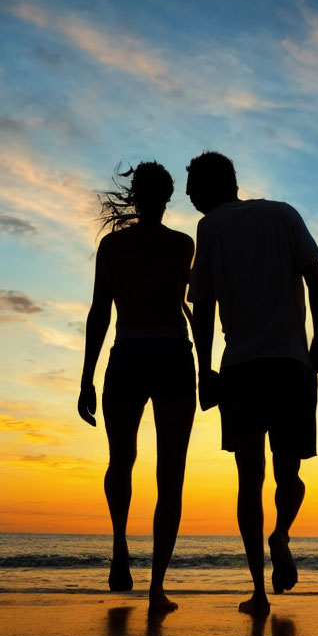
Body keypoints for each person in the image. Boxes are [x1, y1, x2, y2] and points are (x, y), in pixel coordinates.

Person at [186, 151, 318, 617]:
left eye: (193, 185)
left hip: (244, 370)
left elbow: (203, 304)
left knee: (250, 481)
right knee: (288, 475)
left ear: (216, 184)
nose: (188, 195)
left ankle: (259, 591)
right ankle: (281, 535)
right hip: (291, 365)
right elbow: (317, 282)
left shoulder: (210, 229)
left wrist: (203, 369)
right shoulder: (283, 213)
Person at [78, 161, 196, 612]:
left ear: (136, 195)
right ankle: (155, 585)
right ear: (166, 198)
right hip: (168, 356)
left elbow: (99, 314)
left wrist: (86, 378)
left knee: (123, 461)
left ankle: (120, 546)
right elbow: (199, 309)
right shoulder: (182, 244)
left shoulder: (115, 245)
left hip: (130, 356)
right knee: (169, 474)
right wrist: (206, 367)